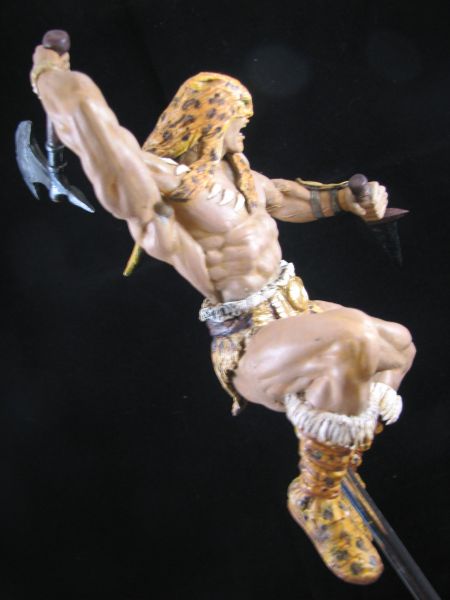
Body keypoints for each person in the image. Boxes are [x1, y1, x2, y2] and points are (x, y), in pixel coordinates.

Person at [30, 44, 415, 584]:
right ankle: (317, 495)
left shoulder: (246, 180)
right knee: (351, 339)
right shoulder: (170, 188)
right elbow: (109, 148)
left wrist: (351, 201)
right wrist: (53, 77)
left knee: (397, 344)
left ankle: (334, 456)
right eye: (239, 119)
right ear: (211, 120)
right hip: (251, 340)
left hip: (298, 310)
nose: (244, 130)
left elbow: (298, 198)